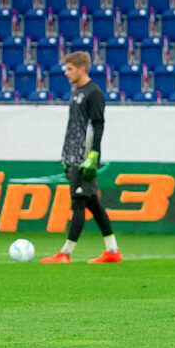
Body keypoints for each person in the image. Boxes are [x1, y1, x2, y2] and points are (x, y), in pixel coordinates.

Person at [41, 51, 122, 265]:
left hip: (83, 158)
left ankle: (65, 253)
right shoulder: (77, 90)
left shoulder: (93, 93)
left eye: (69, 69)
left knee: (78, 203)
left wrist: (93, 155)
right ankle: (112, 251)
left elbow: (98, 124)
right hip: (72, 157)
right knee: (93, 204)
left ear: (81, 68)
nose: (66, 73)